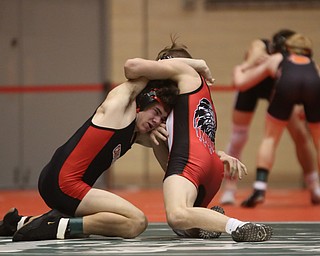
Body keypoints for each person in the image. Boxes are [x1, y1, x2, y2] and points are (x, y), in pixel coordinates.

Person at [124, 38, 273, 242]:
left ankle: (239, 226)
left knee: (176, 215)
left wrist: (198, 64)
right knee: (186, 224)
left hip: (190, 162)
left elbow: (132, 67)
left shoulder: (186, 74)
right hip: (211, 167)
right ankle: (206, 223)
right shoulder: (195, 93)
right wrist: (219, 154)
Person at [0, 76, 180, 241]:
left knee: (110, 220)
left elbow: (169, 166)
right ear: (143, 100)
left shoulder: (137, 133)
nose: (156, 121)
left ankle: (18, 223)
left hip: (64, 184)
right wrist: (186, 66)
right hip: (63, 183)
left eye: (162, 118)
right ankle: (55, 226)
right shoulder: (118, 110)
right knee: (136, 221)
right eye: (155, 112)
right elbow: (133, 67)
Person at [220, 29, 320, 205]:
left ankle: (313, 185)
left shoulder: (281, 59)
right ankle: (229, 188)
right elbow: (243, 75)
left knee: (300, 136)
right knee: (238, 137)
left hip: (277, 85)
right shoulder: (261, 46)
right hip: (252, 84)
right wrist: (245, 66)